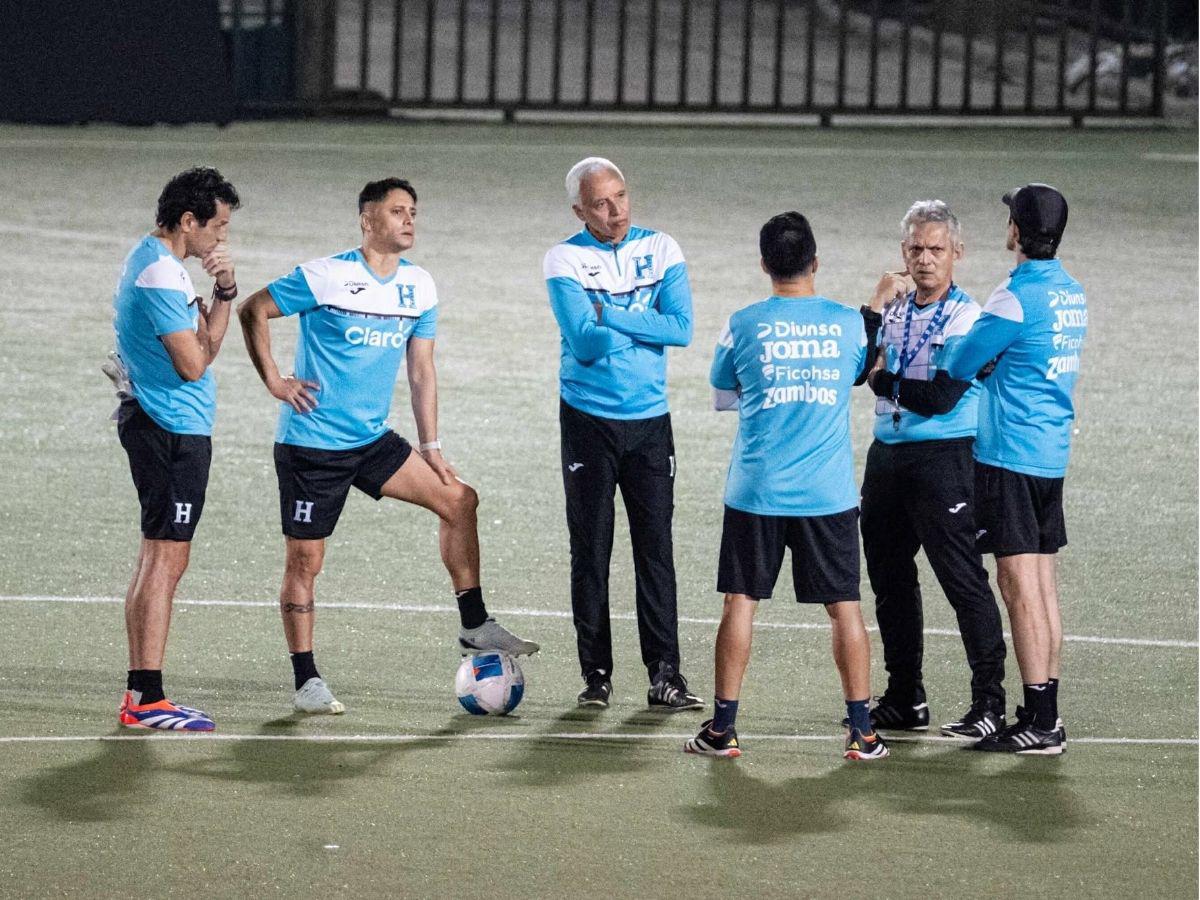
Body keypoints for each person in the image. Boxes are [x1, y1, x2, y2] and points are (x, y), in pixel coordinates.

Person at [238, 177, 537, 716]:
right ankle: (306, 679)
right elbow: (252, 309)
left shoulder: (419, 287)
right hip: (313, 445)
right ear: (366, 220)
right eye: (398, 211)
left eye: (414, 212)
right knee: (306, 560)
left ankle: (474, 624)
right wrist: (276, 382)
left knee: (459, 499)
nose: (409, 220)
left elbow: (421, 371)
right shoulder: (326, 275)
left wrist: (433, 446)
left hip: (373, 441)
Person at [685, 212, 886, 761]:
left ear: (764, 265)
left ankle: (723, 729)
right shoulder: (846, 323)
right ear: (815, 263)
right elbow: (860, 373)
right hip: (829, 492)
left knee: (741, 601)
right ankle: (863, 731)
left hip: (758, 489)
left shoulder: (743, 323)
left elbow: (723, 395)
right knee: (845, 606)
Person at [543, 157, 702, 711]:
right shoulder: (563, 257)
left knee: (655, 550)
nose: (616, 211)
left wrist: (607, 314)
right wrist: (639, 323)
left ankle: (666, 675)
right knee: (591, 549)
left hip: (649, 424)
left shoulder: (663, 249)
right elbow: (582, 345)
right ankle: (597, 675)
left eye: (622, 196)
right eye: (602, 203)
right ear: (579, 210)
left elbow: (681, 329)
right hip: (587, 421)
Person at [860, 200, 1008, 740]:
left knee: (963, 580)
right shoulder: (894, 308)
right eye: (917, 249)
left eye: (936, 249)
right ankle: (906, 698)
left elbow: (942, 396)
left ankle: (989, 703)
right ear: (904, 252)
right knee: (890, 581)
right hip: (888, 459)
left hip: (945, 459)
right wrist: (873, 307)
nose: (925, 259)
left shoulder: (968, 316)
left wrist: (884, 382)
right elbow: (857, 369)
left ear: (957, 254)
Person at [945, 183, 1084, 755]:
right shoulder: (1072, 292)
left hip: (1010, 455)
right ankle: (1042, 709)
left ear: (1017, 233)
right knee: (1044, 586)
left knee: (1018, 587)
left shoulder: (1014, 295)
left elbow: (958, 362)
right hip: (1049, 453)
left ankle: (1040, 723)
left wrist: (990, 362)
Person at [110, 167, 241, 731]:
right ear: (188, 222)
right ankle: (148, 699)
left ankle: (142, 693)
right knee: (166, 560)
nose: (221, 239)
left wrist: (225, 292)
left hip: (165, 424)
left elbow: (206, 345)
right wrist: (207, 329)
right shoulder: (161, 275)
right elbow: (194, 364)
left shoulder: (158, 264)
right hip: (169, 429)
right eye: (218, 227)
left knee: (156, 558)